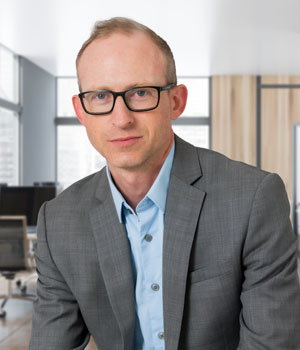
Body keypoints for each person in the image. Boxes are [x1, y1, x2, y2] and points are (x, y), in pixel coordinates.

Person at [30, 17, 300, 350]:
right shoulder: (58, 222)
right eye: (101, 96)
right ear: (81, 111)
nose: (121, 118)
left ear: (176, 101)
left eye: (140, 93)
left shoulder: (253, 199)